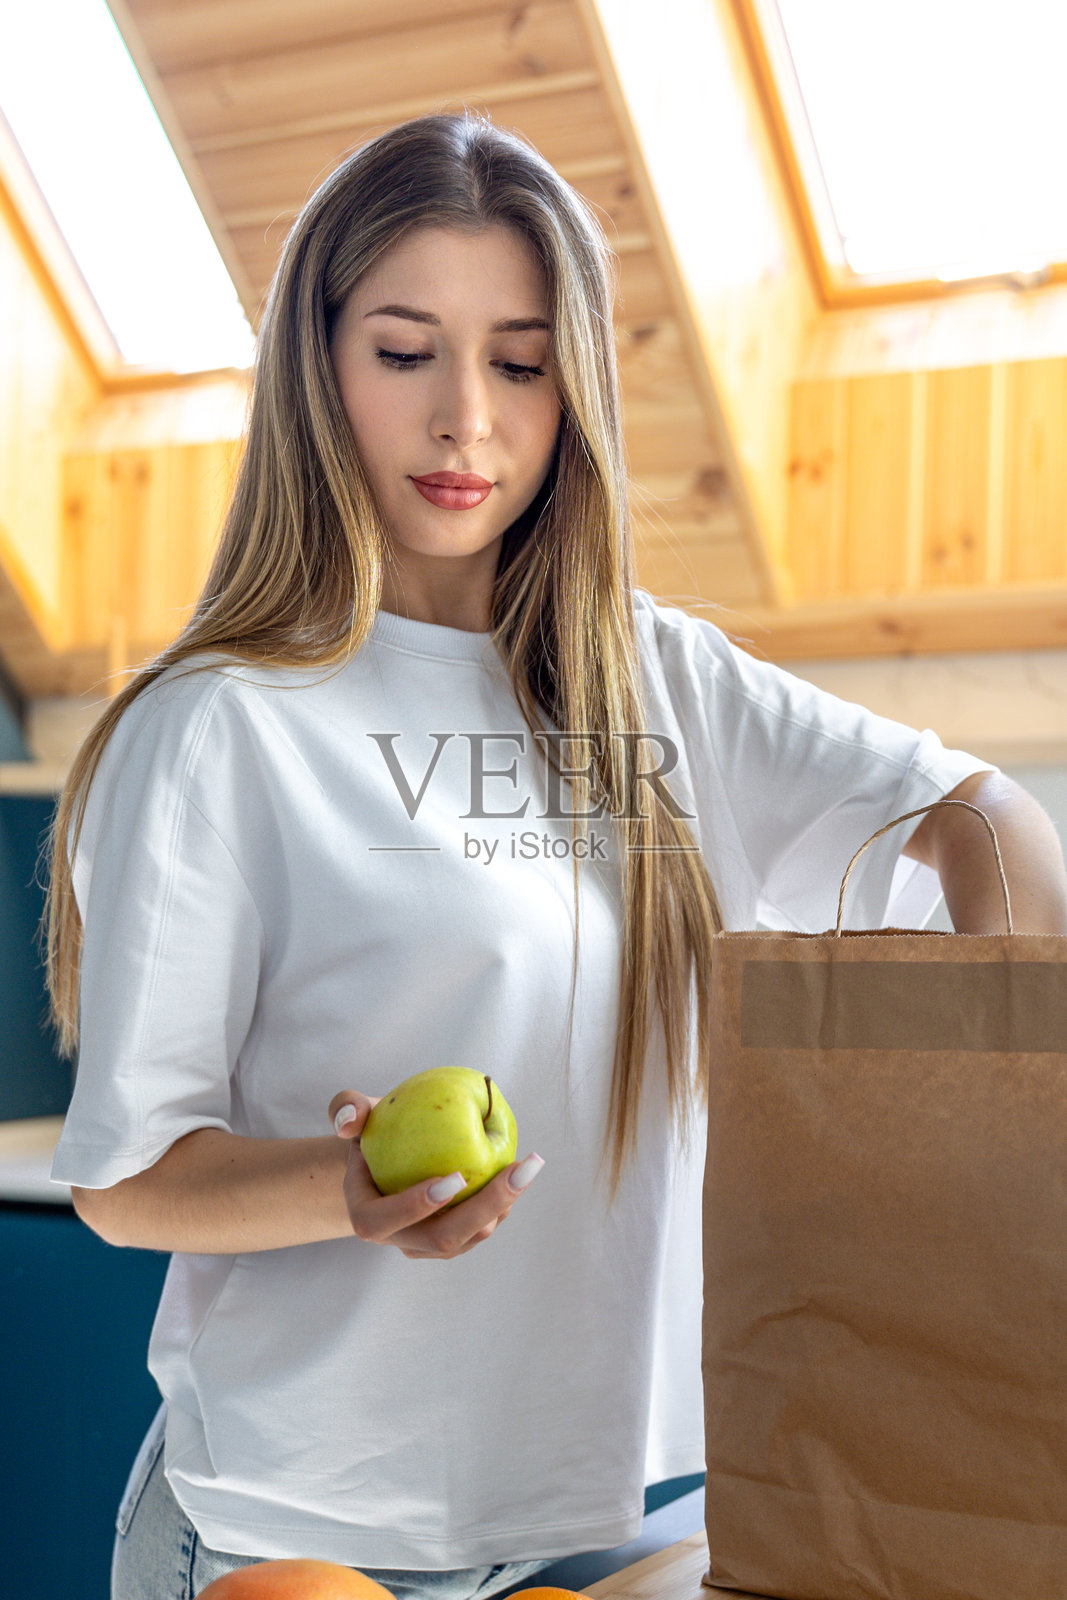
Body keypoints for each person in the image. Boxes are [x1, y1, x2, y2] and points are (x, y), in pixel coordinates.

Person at [44, 112, 1067, 1600]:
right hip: (299, 1526)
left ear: (573, 384)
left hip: (622, 1511)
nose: (467, 418)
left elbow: (984, 819)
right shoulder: (221, 727)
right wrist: (349, 1186)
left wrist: (1010, 1103)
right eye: (406, 352)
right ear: (319, 368)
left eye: (520, 362)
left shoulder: (664, 684)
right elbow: (130, 1181)